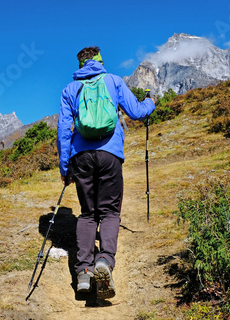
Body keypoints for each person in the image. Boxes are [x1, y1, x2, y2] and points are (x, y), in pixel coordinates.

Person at [57, 46, 155, 299]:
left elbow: (63, 132)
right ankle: (104, 261)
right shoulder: (113, 81)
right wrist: (150, 103)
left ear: (80, 64)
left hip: (81, 156)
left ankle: (83, 272)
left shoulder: (70, 89)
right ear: (99, 61)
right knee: (110, 212)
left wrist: (65, 168)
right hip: (110, 154)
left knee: (88, 214)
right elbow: (136, 112)